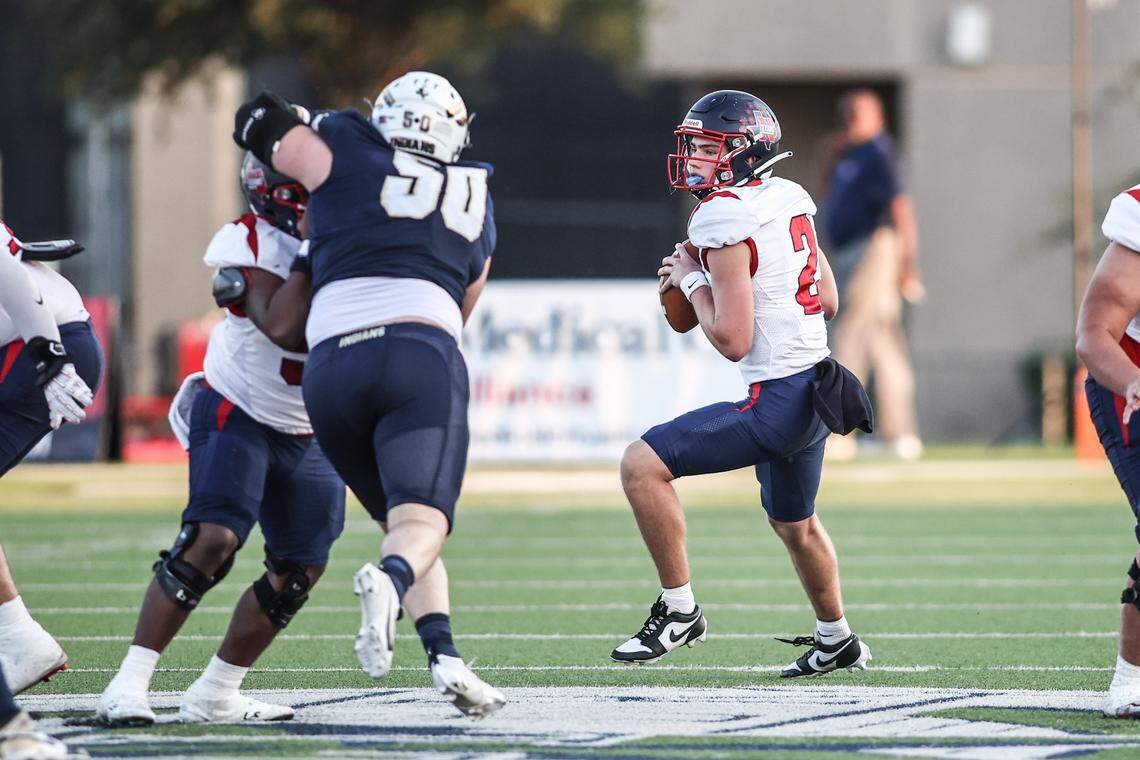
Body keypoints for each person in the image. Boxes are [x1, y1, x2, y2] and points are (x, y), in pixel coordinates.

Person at [231, 72, 504, 717]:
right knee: (422, 523)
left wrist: (304, 117)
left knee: (399, 525)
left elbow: (254, 121)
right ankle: (389, 579)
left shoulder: (343, 144)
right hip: (418, 351)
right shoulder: (476, 192)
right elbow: (463, 306)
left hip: (330, 367)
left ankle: (446, 659)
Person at [611, 90, 873, 677]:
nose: (695, 159)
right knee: (794, 524)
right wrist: (704, 275)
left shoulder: (724, 214)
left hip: (778, 401)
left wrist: (693, 279)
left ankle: (678, 609)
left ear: (744, 152)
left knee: (640, 465)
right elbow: (827, 299)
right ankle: (838, 638)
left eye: (709, 148)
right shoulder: (786, 197)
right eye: (694, 146)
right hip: (819, 391)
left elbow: (732, 337)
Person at [95, 154, 346, 726]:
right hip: (240, 405)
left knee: (300, 570)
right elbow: (285, 326)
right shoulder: (245, 240)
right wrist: (319, 251)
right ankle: (128, 683)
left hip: (309, 424)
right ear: (271, 191)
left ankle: (216, 691)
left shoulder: (352, 238)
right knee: (211, 539)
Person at [0, 222, 100, 758]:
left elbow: (6, 270)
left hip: (33, 344)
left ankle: (12, 732)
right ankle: (17, 635)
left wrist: (48, 354)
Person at [821, 89, 922, 460]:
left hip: (874, 248)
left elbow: (900, 206)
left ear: (876, 116)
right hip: (853, 250)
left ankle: (839, 430)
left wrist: (908, 262)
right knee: (882, 337)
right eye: (846, 114)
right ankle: (900, 433)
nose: (850, 120)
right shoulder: (851, 153)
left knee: (850, 331)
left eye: (857, 114)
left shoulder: (879, 152)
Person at [1076, 182, 1140, 718]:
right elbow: (1095, 334)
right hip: (1130, 378)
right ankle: (1132, 675)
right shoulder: (1138, 214)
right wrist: (1133, 384)